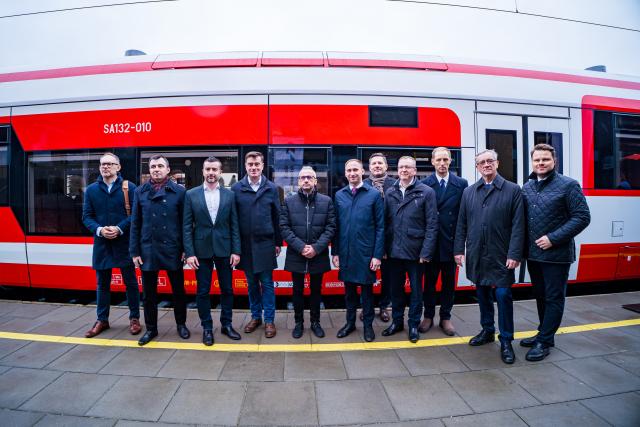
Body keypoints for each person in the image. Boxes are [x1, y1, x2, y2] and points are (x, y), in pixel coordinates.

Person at [454, 149, 524, 364]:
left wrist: (514, 253)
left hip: (502, 254)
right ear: (477, 167)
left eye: (490, 161)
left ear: (497, 163)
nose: (486, 164)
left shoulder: (513, 190)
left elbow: (518, 225)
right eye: (481, 162)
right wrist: (459, 249)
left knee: (503, 295)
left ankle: (506, 340)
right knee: (482, 293)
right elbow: (462, 223)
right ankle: (487, 330)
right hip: (477, 252)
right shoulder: (469, 192)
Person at [521, 143, 590, 361]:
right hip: (533, 254)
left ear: (554, 161)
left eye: (545, 159)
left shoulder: (569, 185)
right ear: (532, 162)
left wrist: (553, 238)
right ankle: (543, 333)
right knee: (541, 296)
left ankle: (544, 341)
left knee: (553, 297)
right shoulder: (528, 186)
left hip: (556, 255)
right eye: (537, 160)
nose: (540, 163)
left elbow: (582, 217)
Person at [130, 155, 190, 346]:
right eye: (153, 166)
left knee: (178, 291)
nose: (156, 169)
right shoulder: (139, 191)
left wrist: (186, 249)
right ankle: (151, 329)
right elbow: (135, 223)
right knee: (149, 294)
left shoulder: (180, 192)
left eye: (160, 166)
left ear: (168, 169)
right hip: (148, 248)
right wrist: (134, 251)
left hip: (173, 248)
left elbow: (185, 224)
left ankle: (181, 324)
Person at [183, 156, 242, 346]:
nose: (211, 173)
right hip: (201, 250)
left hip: (225, 249)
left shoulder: (230, 195)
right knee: (202, 291)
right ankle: (207, 328)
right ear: (203, 171)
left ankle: (227, 325)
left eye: (214, 169)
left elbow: (234, 225)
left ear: (220, 172)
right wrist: (190, 253)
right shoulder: (191, 195)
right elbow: (186, 227)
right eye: (207, 169)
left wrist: (236, 251)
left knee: (227, 289)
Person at [82, 153, 141, 338]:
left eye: (109, 164)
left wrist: (119, 228)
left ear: (118, 167)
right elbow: (86, 217)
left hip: (124, 243)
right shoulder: (91, 190)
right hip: (102, 243)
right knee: (102, 284)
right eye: (102, 164)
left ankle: (134, 318)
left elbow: (136, 215)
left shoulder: (129, 188)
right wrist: (99, 230)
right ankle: (102, 320)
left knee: (131, 283)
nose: (105, 167)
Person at [381, 156, 438, 343]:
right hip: (393, 251)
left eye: (408, 167)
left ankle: (413, 324)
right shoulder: (390, 191)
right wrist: (383, 249)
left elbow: (432, 224)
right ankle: (397, 322)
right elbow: (385, 222)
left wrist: (426, 252)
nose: (404, 170)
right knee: (395, 290)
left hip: (416, 252)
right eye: (401, 167)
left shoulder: (426, 192)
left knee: (416, 292)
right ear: (397, 170)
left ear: (415, 170)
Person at [280, 166, 336, 339]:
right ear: (298, 181)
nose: (306, 180)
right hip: (296, 254)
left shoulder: (326, 201)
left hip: (318, 255)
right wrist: (301, 247)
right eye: (303, 177)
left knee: (316, 291)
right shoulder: (289, 201)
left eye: (309, 177)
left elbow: (331, 227)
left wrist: (316, 248)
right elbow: (284, 227)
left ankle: (315, 322)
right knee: (297, 291)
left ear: (315, 181)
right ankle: (298, 323)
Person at [332, 159, 384, 342]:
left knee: (367, 293)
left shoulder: (374, 195)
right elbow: (336, 227)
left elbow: (380, 227)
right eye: (349, 170)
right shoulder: (339, 195)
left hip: (366, 253)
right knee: (349, 293)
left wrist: (377, 255)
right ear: (345, 173)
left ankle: (368, 326)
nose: (352, 173)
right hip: (346, 252)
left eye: (355, 169)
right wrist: (335, 252)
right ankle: (350, 323)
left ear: (362, 171)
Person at [231, 151, 282, 338]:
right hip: (245, 246)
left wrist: (278, 242)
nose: (254, 167)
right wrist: (235, 247)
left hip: (266, 243)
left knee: (267, 283)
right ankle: (255, 317)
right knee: (252, 284)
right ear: (245, 166)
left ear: (262, 166)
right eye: (250, 164)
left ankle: (269, 320)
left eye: (257, 164)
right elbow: (233, 220)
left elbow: (277, 217)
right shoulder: (236, 189)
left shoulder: (272, 188)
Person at [420, 147, 468, 336]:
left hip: (451, 243)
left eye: (445, 160)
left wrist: (460, 248)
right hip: (431, 244)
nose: (442, 163)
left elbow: (463, 217)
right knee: (429, 284)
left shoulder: (461, 184)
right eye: (438, 160)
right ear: (432, 162)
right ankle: (428, 316)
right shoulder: (424, 184)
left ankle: (445, 318)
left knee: (449, 284)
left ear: (450, 161)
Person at [363, 152, 396, 322]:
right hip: (368, 238)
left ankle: (384, 306)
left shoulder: (395, 184)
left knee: (388, 277)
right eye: (374, 163)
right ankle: (366, 308)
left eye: (380, 163)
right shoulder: (363, 185)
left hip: (390, 238)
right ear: (369, 167)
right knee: (366, 276)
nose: (377, 166)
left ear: (386, 166)